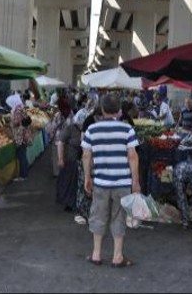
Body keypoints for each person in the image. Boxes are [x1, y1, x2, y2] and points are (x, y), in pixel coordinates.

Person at [81, 94, 140, 267]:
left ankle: (96, 254)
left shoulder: (92, 129)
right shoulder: (127, 129)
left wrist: (87, 177)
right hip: (122, 182)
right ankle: (117, 257)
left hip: (101, 182)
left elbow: (86, 155)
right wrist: (135, 181)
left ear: (103, 110)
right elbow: (133, 156)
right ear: (119, 111)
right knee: (118, 217)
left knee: (98, 216)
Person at [56, 109, 84, 213]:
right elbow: (60, 143)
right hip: (70, 159)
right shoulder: (70, 128)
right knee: (69, 183)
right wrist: (60, 159)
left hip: (82, 160)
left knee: (78, 183)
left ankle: (78, 203)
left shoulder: (86, 129)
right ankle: (69, 203)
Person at [8, 94, 33, 181]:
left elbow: (16, 122)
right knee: (23, 154)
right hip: (23, 134)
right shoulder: (21, 108)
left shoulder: (17, 111)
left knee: (21, 155)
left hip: (20, 135)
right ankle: (24, 172)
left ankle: (23, 175)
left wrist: (10, 124)